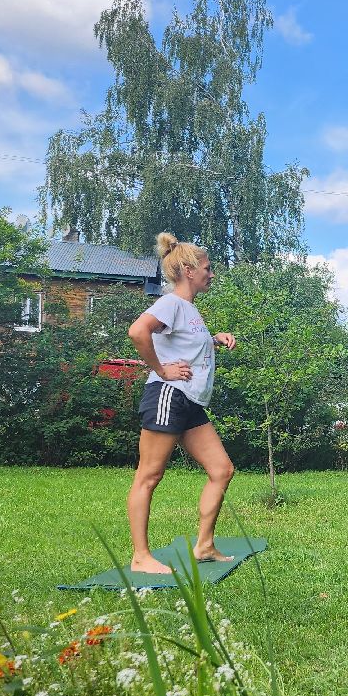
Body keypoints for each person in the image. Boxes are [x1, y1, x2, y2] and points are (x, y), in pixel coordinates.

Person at [126, 232, 237, 574]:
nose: (211, 273)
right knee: (149, 475)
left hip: (190, 402)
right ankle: (141, 556)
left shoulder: (188, 310)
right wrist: (160, 369)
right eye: (207, 267)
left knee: (222, 470)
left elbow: (185, 344)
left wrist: (213, 339)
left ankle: (204, 545)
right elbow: (137, 332)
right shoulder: (170, 302)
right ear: (189, 270)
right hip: (167, 395)